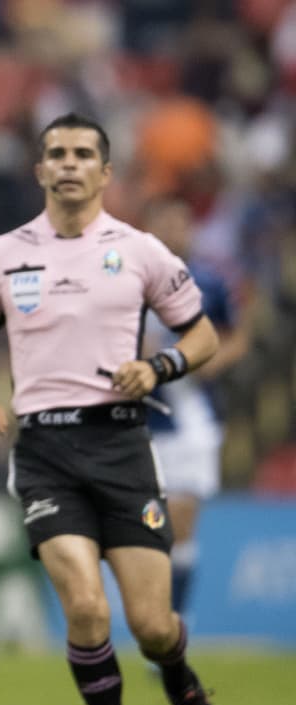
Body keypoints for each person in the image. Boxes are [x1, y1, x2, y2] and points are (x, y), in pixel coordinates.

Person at [0, 113, 222, 705]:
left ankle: (181, 678)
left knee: (154, 625)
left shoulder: (141, 251)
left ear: (106, 172)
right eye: (56, 154)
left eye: (83, 154)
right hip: (44, 451)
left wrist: (158, 367)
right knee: (88, 612)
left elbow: (205, 334)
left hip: (123, 448)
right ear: (40, 170)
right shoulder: (2, 255)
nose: (68, 164)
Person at [141, 197, 250, 621]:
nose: (172, 229)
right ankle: (151, 613)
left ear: (191, 228)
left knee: (181, 522)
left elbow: (237, 337)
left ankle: (173, 621)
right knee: (148, 524)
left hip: (193, 419)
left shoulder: (212, 278)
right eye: (162, 221)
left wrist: (195, 362)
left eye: (178, 221)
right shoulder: (128, 279)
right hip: (138, 418)